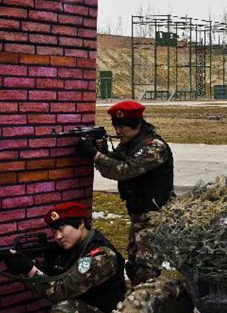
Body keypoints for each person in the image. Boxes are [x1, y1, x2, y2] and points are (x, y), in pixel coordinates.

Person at [75, 100, 175, 285]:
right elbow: (116, 161)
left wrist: (96, 156)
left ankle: (150, 305)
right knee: (135, 265)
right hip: (138, 214)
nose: (118, 132)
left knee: (147, 270)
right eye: (116, 126)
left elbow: (124, 170)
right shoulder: (129, 144)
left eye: (123, 127)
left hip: (155, 215)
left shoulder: (154, 146)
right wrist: (102, 151)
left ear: (137, 124)